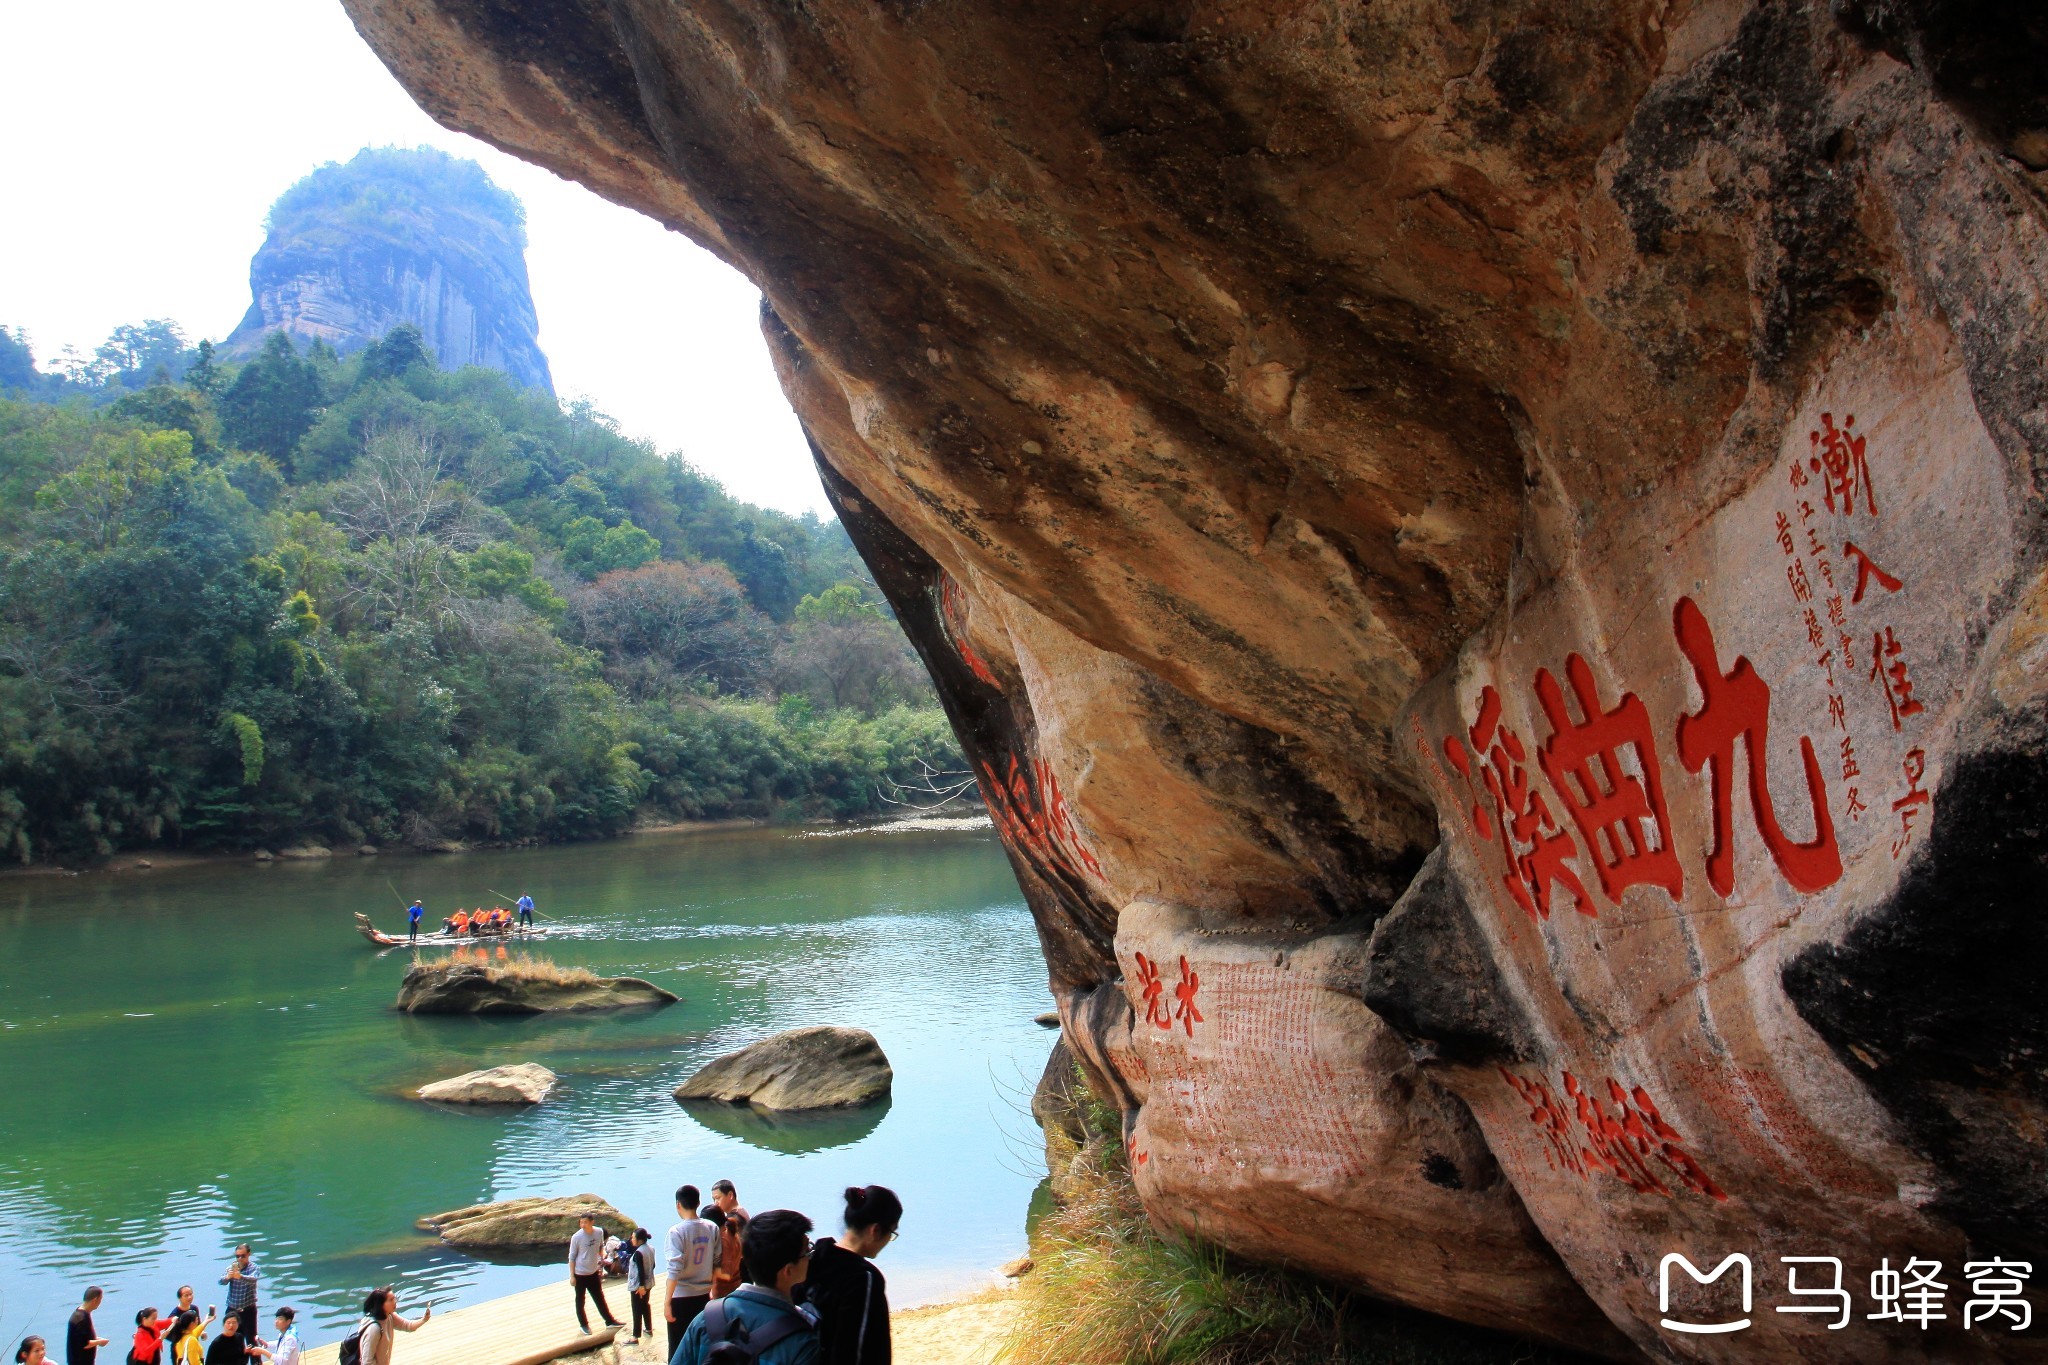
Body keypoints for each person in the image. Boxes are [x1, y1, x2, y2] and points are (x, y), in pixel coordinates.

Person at [672, 1210, 819, 1365]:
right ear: (788, 1271)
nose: (810, 1256)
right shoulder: (802, 1341)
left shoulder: (707, 1318)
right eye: (807, 1251)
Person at [797, 1187, 900, 1365]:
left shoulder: (810, 1258)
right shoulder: (865, 1278)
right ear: (875, 1230)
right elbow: (858, 1348)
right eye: (891, 1233)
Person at [662, 1185, 719, 1359]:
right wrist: (712, 1291)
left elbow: (674, 1270)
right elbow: (717, 1262)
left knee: (678, 1348)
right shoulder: (712, 1227)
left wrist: (666, 1303)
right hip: (703, 1296)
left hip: (680, 1298)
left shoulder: (676, 1231)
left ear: (678, 1204)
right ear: (699, 1203)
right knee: (700, 1347)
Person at [568, 1212, 621, 1334]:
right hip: (580, 1274)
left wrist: (602, 1255)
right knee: (580, 1300)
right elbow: (571, 1257)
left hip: (593, 1272)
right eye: (581, 1222)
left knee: (599, 1297)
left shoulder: (599, 1232)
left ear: (592, 1222)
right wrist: (572, 1276)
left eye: (585, 1222)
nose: (582, 1225)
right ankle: (584, 1325)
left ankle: (609, 1321)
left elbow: (600, 1246)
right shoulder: (576, 1237)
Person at [356, 1289, 429, 1365]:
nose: (395, 1302)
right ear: (381, 1305)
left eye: (394, 1298)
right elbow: (367, 1362)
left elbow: (408, 1326)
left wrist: (424, 1319)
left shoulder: (390, 1316)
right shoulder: (374, 1329)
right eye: (391, 1300)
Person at [220, 1245, 260, 1344]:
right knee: (232, 1339)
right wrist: (228, 1277)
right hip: (232, 1309)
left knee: (251, 1339)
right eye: (237, 1256)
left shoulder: (254, 1267)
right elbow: (220, 1281)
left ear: (249, 1254)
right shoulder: (231, 1268)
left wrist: (240, 1277)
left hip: (248, 1310)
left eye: (243, 1256)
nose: (240, 1259)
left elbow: (253, 1279)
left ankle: (256, 1360)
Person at [703, 1207, 744, 1301]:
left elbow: (726, 1274)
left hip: (723, 1294)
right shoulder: (730, 1230)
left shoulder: (723, 1242)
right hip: (735, 1287)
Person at [623, 1228, 655, 1344]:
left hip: (639, 1286)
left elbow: (640, 1270)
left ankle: (635, 1336)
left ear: (639, 1240)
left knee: (636, 1309)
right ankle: (648, 1328)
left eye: (633, 1237)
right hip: (649, 1283)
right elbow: (653, 1265)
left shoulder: (638, 1253)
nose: (631, 1239)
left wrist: (641, 1286)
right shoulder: (651, 1249)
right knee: (645, 1305)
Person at [67, 1288, 108, 1365]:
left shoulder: (81, 1314)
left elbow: (84, 1337)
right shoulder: (80, 1318)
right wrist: (99, 1342)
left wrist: (96, 1339)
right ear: (95, 1300)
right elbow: (85, 1344)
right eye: (100, 1299)